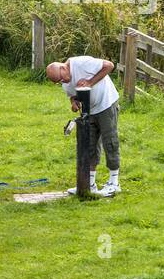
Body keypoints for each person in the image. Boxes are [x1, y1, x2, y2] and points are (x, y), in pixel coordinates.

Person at [46, 54, 121, 196]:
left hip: (106, 103)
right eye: (59, 82)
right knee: (90, 145)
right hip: (89, 110)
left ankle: (114, 183)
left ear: (63, 66)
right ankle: (89, 184)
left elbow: (109, 66)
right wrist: (73, 102)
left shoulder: (81, 63)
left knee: (110, 142)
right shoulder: (64, 82)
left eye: (62, 78)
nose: (63, 82)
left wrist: (90, 82)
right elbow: (72, 95)